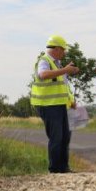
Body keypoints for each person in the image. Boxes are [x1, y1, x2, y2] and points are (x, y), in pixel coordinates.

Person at [30, 35, 78, 173]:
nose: (65, 53)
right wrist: (65, 70)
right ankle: (55, 169)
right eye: (63, 50)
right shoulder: (44, 61)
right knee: (56, 137)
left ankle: (63, 167)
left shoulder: (57, 64)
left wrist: (71, 101)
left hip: (60, 105)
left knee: (65, 137)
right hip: (48, 105)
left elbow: (62, 86)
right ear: (57, 49)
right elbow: (43, 75)